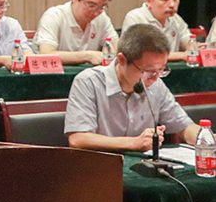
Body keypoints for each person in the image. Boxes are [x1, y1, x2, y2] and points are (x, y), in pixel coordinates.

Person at [65, 24, 199, 151]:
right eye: (148, 71)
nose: (155, 78)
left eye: (161, 70)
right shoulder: (89, 82)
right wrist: (134, 143)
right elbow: (78, 139)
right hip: (101, 163)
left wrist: (205, 139)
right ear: (122, 60)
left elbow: (185, 127)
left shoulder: (156, 85)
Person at [33, 0, 118, 65]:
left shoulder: (102, 17)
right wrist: (87, 56)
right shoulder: (54, 16)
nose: (96, 12)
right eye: (91, 5)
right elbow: (46, 54)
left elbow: (117, 48)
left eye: (102, 6)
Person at [121, 0, 191, 61]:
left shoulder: (176, 19)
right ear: (149, 1)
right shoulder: (135, 18)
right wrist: (182, 55)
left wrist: (196, 47)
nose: (172, 4)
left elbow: (189, 43)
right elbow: (143, 55)